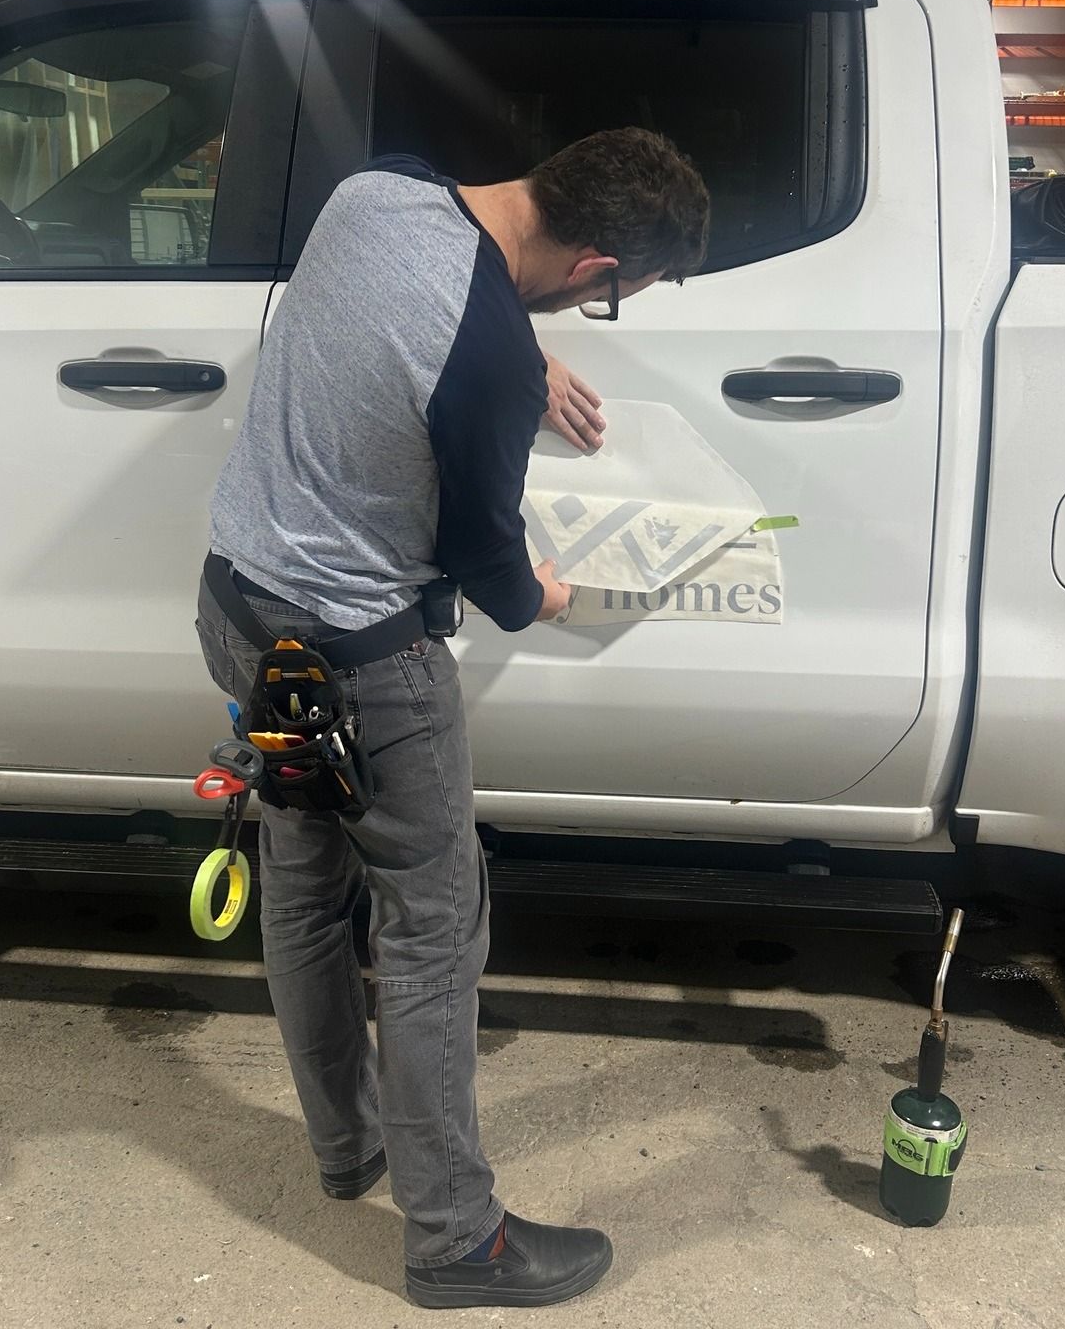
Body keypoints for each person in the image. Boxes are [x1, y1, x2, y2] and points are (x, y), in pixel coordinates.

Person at [195, 126, 709, 1310]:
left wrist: (515, 350)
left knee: (307, 881)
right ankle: (455, 1244)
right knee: (433, 933)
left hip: (239, 612)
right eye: (618, 300)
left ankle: (347, 1148)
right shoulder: (485, 365)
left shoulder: (375, 192)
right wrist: (561, 595)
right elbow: (493, 569)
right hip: (366, 670)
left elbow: (442, 287)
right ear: (597, 269)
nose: (601, 317)